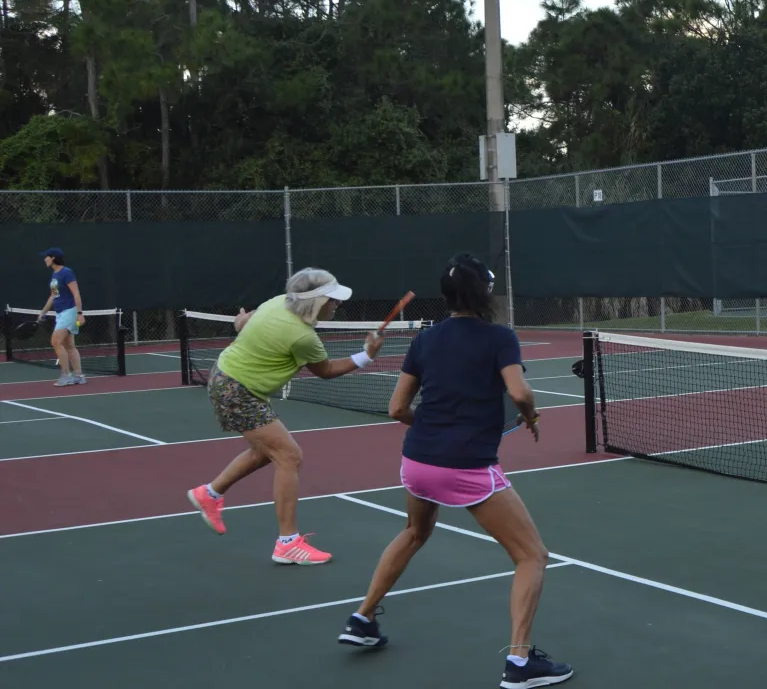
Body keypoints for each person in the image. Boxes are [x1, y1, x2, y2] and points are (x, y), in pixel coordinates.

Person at [337, 254, 571, 689]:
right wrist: (531, 415)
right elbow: (518, 391)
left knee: (414, 531)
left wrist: (434, 427)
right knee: (532, 556)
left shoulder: (425, 340)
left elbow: (396, 409)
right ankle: (520, 663)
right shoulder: (500, 338)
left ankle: (361, 618)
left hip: (417, 462)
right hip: (465, 467)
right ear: (485, 293)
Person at [185, 268, 385, 564]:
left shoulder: (277, 301)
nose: (337, 305)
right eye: (333, 300)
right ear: (316, 301)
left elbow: (245, 322)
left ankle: (210, 494)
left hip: (226, 377)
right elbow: (326, 371)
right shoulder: (302, 336)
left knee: (267, 451)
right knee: (289, 456)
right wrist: (367, 355)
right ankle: (288, 543)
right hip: (238, 391)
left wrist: (241, 320)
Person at [35, 247, 86, 386]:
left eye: (46, 257)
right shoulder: (54, 275)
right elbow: (53, 296)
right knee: (69, 345)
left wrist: (80, 314)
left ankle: (66, 375)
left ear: (53, 258)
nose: (44, 259)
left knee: (55, 342)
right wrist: (43, 312)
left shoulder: (66, 272)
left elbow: (76, 293)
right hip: (60, 313)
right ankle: (79, 375)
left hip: (69, 311)